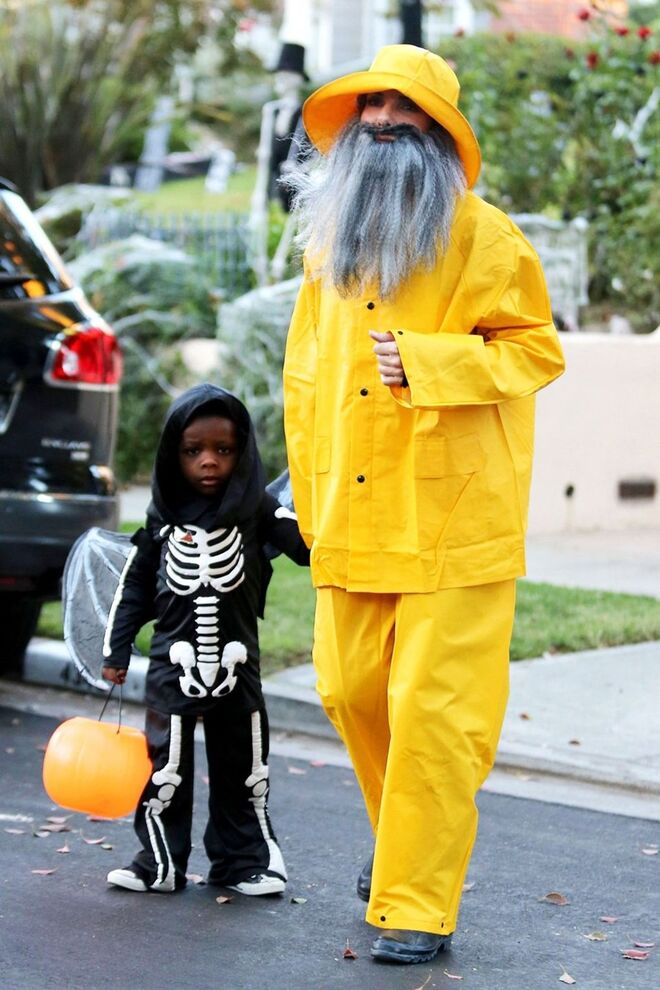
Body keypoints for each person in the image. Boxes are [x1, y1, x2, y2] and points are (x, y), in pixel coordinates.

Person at [282, 44, 565, 964]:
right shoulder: (329, 247)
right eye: (371, 117)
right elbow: (304, 379)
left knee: (437, 716)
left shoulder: (488, 238)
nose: (385, 129)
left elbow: (535, 352)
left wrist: (437, 363)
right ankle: (406, 847)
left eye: (406, 119)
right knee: (348, 690)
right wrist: (301, 494)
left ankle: (415, 904)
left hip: (454, 522)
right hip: (353, 518)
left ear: (441, 137)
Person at [101, 383, 309, 896]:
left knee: (244, 771)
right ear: (174, 455)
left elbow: (307, 551)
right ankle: (158, 864)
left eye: (224, 449)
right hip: (173, 667)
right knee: (164, 770)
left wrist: (316, 498)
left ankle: (245, 863)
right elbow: (134, 588)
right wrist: (117, 649)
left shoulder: (256, 508)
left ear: (243, 453)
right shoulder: (162, 518)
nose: (209, 462)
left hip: (239, 669)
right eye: (194, 451)